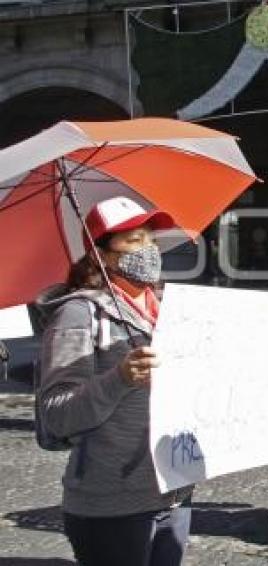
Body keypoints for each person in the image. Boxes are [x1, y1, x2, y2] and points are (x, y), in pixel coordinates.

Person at [36, 196, 193, 566]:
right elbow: (55, 415)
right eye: (134, 241)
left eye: (151, 239)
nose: (150, 250)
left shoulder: (172, 312)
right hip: (111, 505)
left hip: (175, 493)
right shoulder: (77, 315)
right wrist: (120, 378)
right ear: (101, 255)